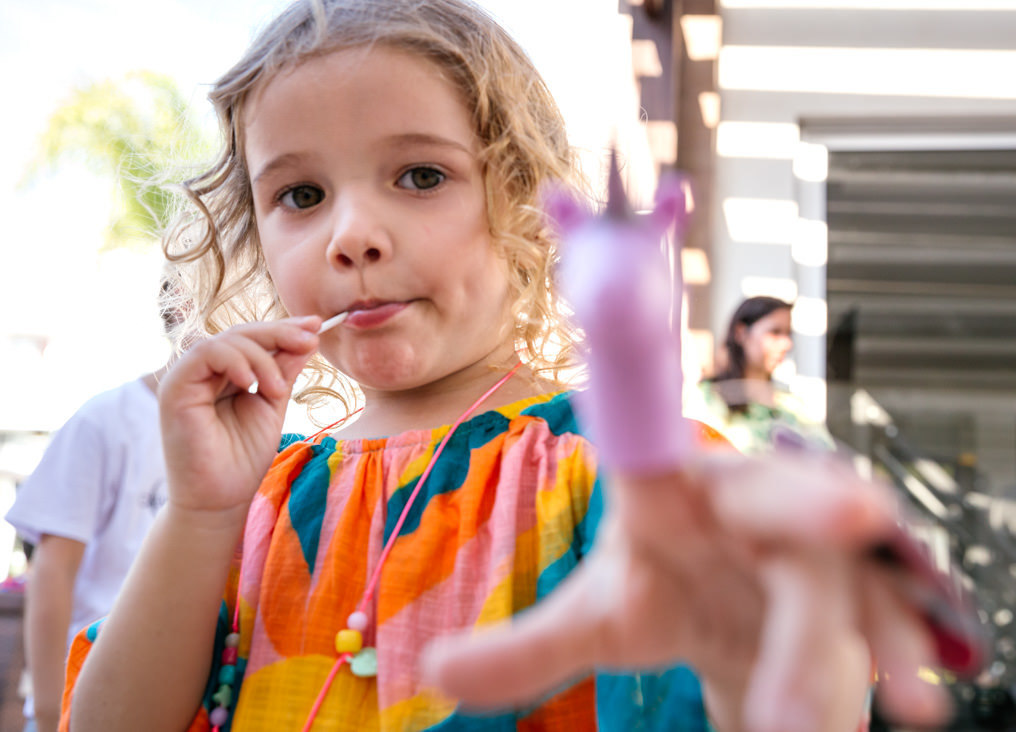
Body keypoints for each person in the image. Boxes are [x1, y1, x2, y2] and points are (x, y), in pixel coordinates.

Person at [63, 2, 955, 730]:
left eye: (419, 176)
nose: (352, 236)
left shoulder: (620, 475)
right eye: (301, 195)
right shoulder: (257, 504)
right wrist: (199, 512)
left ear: (524, 198)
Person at [6, 278, 182, 732]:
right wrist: (47, 712)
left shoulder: (264, 429)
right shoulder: (106, 420)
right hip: (87, 691)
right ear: (178, 306)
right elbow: (51, 572)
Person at [698, 296, 834, 455]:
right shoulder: (708, 397)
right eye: (775, 332)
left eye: (788, 334)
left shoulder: (790, 403)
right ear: (741, 333)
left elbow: (828, 457)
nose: (787, 344)